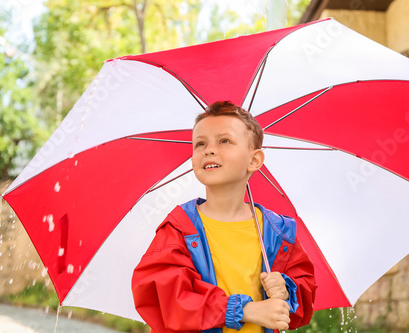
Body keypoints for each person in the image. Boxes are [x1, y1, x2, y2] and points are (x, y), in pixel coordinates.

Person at [132, 101, 317, 333]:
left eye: (224, 141)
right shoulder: (179, 229)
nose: (209, 149)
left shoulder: (277, 231)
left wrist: (286, 289)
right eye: (200, 143)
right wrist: (244, 311)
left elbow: (302, 299)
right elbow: (168, 298)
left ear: (254, 160)